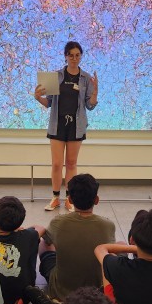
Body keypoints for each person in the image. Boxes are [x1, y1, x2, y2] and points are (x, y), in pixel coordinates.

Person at [34, 41, 98, 212]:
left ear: (81, 56)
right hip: (58, 125)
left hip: (76, 126)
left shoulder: (86, 78)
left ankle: (70, 199)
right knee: (56, 164)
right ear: (65, 56)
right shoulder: (56, 76)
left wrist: (95, 95)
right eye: (71, 55)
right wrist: (37, 97)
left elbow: (90, 105)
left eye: (78, 55)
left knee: (71, 163)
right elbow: (48, 103)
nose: (74, 58)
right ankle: (55, 197)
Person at [39, 174, 116, 301]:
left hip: (60, 291)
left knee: (44, 244)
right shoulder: (108, 225)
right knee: (118, 245)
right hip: (96, 293)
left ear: (70, 200)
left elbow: (47, 242)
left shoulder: (57, 222)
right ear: (96, 200)